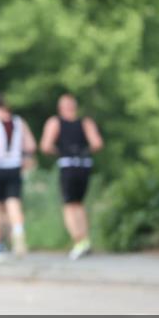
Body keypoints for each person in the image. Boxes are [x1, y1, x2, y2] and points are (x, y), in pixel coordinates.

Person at [40, 94, 104, 260]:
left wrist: (61, 151)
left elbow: (45, 145)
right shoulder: (85, 122)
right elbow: (97, 143)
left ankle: (78, 242)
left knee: (69, 205)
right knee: (79, 204)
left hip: (68, 165)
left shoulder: (55, 122)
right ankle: (85, 240)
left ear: (61, 108)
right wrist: (83, 151)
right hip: (84, 165)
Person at [0, 93, 36, 261]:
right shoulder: (19, 122)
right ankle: (17, 232)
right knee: (14, 202)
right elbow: (31, 145)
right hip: (15, 167)